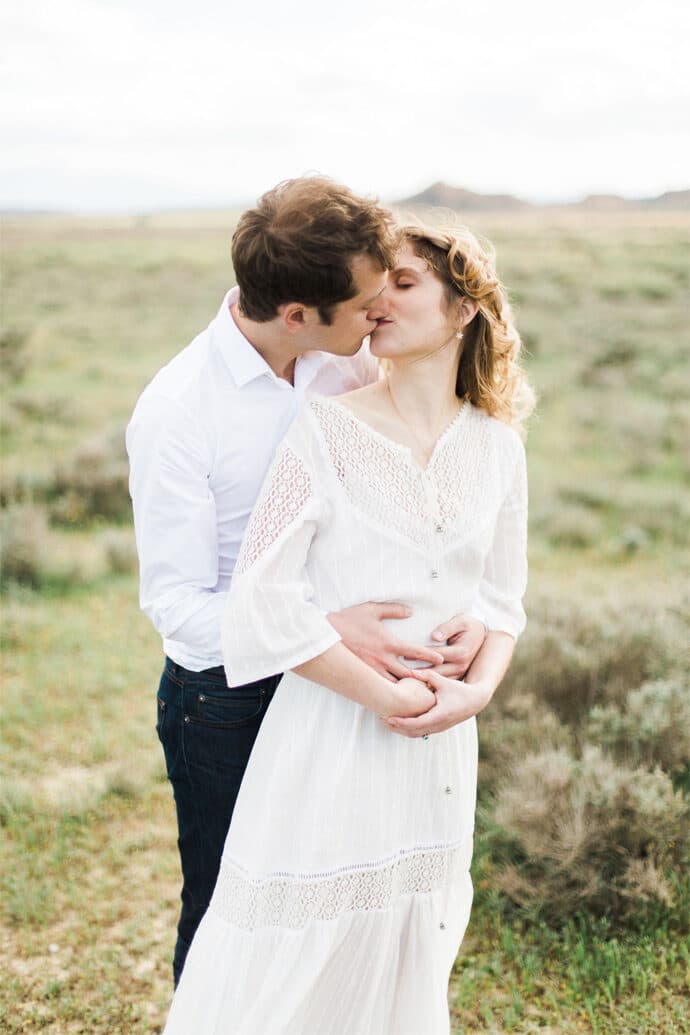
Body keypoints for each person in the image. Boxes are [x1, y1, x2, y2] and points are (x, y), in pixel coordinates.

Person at [162, 221, 534, 1034]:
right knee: (294, 950)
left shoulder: (499, 446)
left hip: (439, 747)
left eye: (403, 284)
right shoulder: (326, 427)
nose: (379, 301)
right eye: (378, 285)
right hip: (332, 728)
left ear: (465, 307)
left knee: (413, 933)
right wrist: (387, 696)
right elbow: (263, 602)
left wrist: (471, 696)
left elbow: (505, 603)